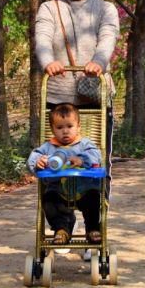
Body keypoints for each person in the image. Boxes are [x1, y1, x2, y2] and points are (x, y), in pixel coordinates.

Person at [35, 0, 120, 197]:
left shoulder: (105, 9)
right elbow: (42, 39)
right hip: (58, 99)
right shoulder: (49, 9)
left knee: (96, 159)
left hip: (94, 95)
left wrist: (98, 62)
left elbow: (107, 39)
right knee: (55, 164)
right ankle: (61, 221)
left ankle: (96, 216)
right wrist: (48, 62)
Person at [27, 103, 103, 246]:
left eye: (69, 126)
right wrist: (38, 162)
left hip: (84, 190)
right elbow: (34, 157)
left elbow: (96, 155)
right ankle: (61, 229)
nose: (65, 131)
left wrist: (82, 160)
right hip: (59, 191)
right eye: (60, 128)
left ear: (78, 126)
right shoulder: (48, 147)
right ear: (53, 129)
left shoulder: (85, 144)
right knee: (48, 200)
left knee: (94, 198)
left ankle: (92, 228)